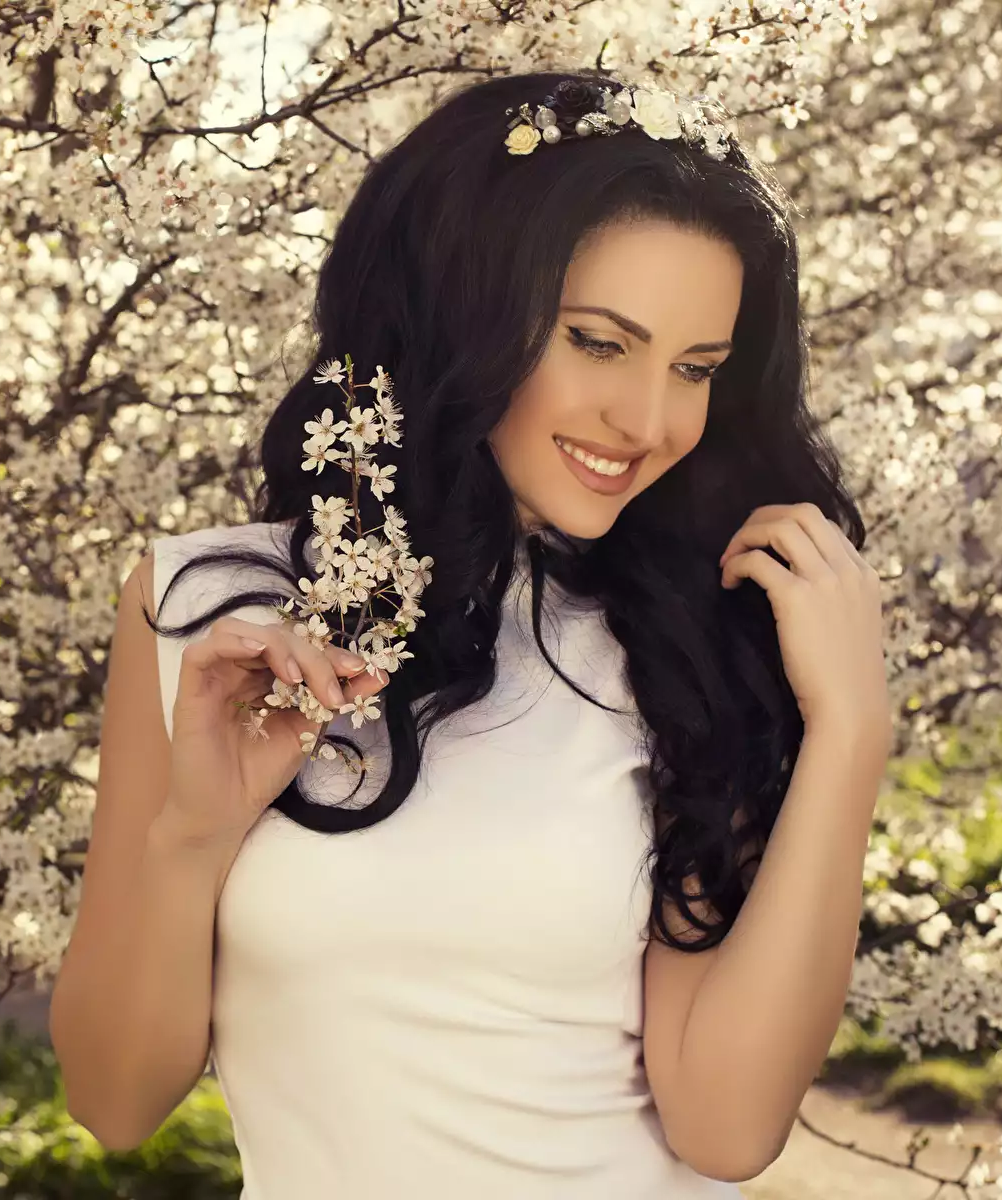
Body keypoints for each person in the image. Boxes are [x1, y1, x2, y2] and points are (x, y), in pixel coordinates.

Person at [49, 69, 893, 1199]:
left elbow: (726, 1126)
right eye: (599, 342)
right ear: (466, 311)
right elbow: (113, 1099)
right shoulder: (205, 608)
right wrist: (194, 838)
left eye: (694, 370)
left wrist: (851, 731)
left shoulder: (691, 641)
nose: (648, 421)